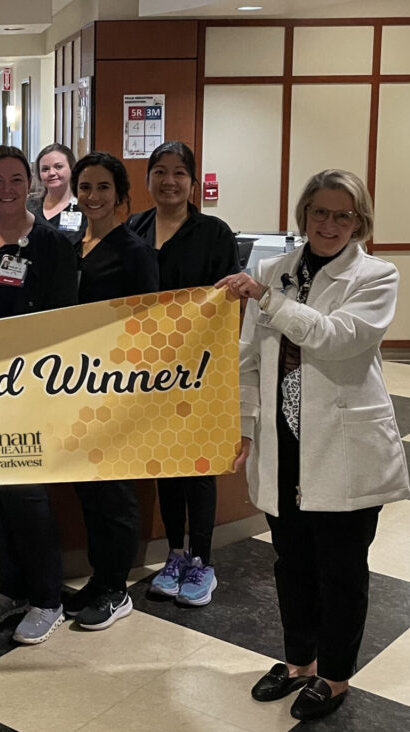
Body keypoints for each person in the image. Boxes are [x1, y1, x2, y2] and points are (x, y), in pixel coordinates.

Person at [217, 169, 409, 722]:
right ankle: (299, 662)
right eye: (319, 212)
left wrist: (268, 302)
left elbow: (338, 338)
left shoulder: (376, 276)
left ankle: (336, 676)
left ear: (359, 221)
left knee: (341, 570)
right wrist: (247, 429)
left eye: (342, 215)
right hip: (285, 443)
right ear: (303, 215)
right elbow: (248, 358)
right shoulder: (275, 271)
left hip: (345, 448)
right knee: (291, 563)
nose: (329, 224)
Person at [0, 145, 78, 644]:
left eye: (14, 180)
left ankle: (47, 597)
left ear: (30, 183)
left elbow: (65, 322)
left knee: (27, 491)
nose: (4, 189)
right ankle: (10, 588)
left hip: (28, 389)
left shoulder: (52, 244)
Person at [128, 141, 240, 607]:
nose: (168, 181)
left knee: (199, 467)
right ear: (148, 178)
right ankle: (175, 554)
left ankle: (202, 562)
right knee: (167, 463)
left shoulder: (214, 232)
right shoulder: (134, 227)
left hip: (200, 371)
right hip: (149, 372)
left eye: (178, 173)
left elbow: (227, 302)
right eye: (159, 172)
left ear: (192, 182)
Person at [65, 152, 159, 630]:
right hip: (71, 388)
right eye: (85, 187)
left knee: (115, 489)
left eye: (103, 188)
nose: (93, 197)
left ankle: (116, 587)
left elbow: (147, 327)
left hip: (116, 386)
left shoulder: (135, 252)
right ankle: (98, 580)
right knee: (88, 488)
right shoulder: (69, 246)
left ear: (121, 196)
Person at [26, 143, 86, 246]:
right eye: (45, 169)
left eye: (58, 167)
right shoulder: (28, 206)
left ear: (72, 168)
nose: (51, 173)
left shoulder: (84, 208)